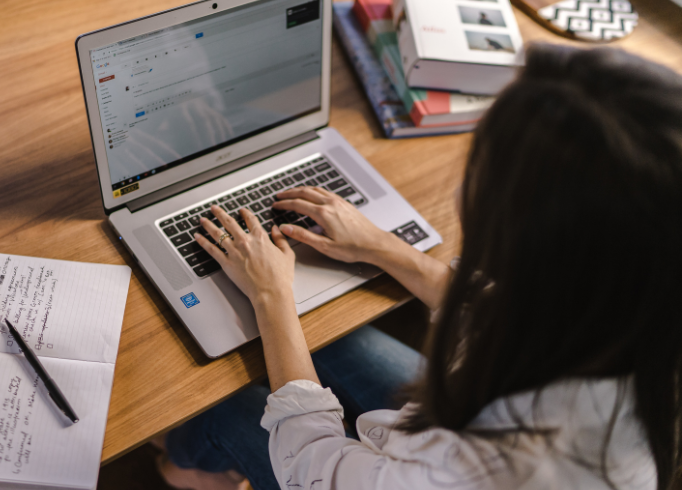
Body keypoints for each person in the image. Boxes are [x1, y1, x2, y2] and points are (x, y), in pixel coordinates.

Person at [155, 45, 682, 490]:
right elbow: (493, 305)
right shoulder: (637, 308)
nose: (461, 186)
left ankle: (182, 466)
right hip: (437, 427)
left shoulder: (488, 470)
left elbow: (312, 464)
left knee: (217, 407)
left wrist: (271, 297)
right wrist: (382, 247)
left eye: (481, 163)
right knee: (335, 339)